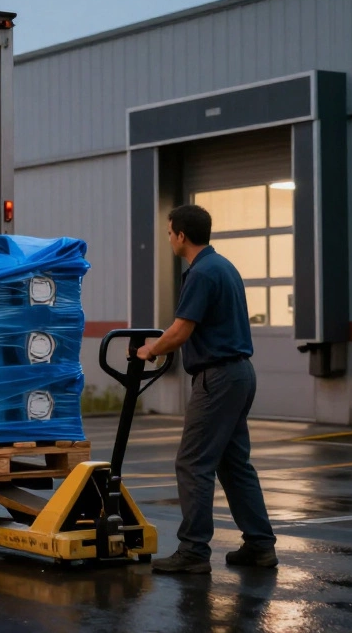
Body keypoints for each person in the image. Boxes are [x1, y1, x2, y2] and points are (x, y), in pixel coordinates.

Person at [136, 204, 277, 574]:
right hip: (240, 374)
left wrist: (149, 349)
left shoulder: (200, 273)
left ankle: (194, 551)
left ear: (182, 235)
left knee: (193, 462)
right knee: (233, 464)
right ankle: (260, 545)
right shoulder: (225, 267)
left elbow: (182, 330)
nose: (168, 238)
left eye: (169, 233)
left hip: (217, 378)